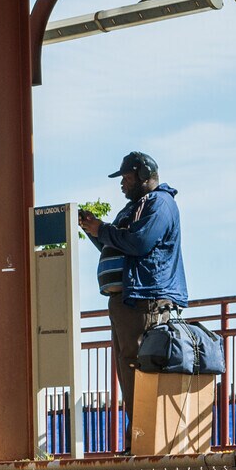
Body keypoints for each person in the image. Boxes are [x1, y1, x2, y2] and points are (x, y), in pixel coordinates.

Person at [79, 152, 188, 449]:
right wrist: (94, 231)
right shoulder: (133, 208)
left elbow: (139, 242)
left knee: (141, 370)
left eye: (126, 178)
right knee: (129, 372)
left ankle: (145, 441)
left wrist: (103, 230)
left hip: (145, 299)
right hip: (126, 301)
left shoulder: (159, 204)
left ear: (143, 175)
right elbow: (118, 242)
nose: (123, 185)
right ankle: (138, 439)